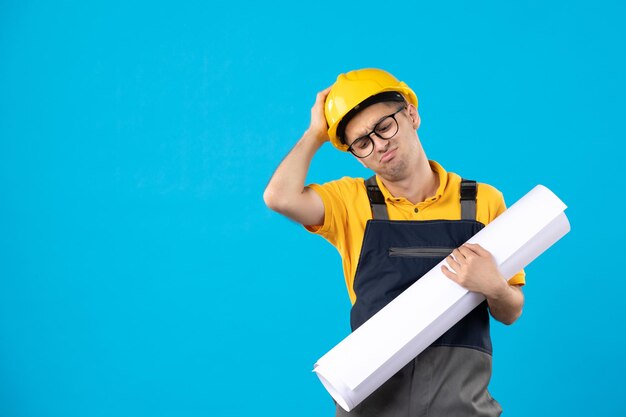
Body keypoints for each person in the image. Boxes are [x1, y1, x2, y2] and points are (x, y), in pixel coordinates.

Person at [263, 68, 525, 416]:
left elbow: (511, 311)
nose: (379, 145)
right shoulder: (350, 201)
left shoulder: (482, 202)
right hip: (371, 402)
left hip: (461, 407)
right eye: (362, 142)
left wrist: (495, 287)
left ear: (412, 115)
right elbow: (278, 197)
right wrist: (315, 134)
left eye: (384, 126)